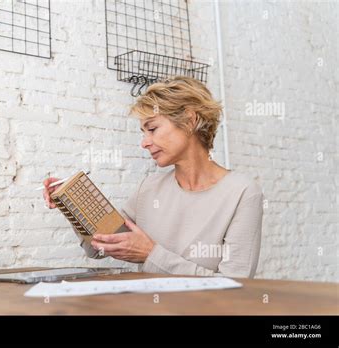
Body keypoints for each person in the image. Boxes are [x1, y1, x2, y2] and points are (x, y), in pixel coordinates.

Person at [43, 76, 263, 278]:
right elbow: (98, 248)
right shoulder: (149, 188)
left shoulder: (242, 193)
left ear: (189, 120)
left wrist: (150, 254)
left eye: (152, 129)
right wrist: (71, 202)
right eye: (143, 132)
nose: (144, 142)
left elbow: (236, 287)